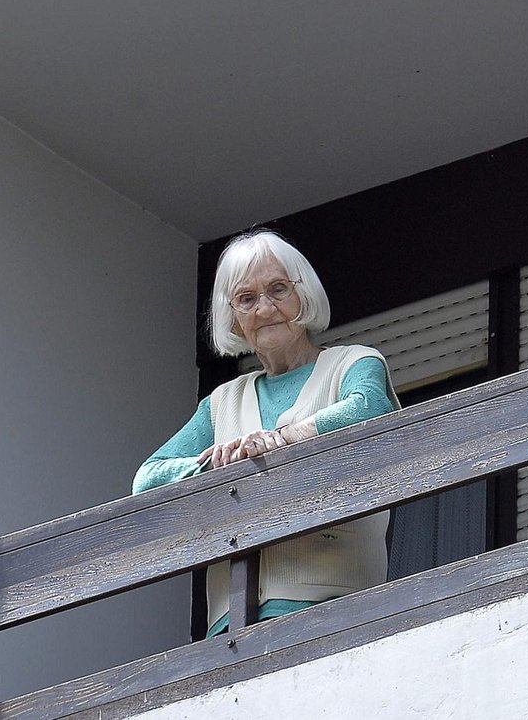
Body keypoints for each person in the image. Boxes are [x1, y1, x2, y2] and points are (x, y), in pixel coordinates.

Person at [133, 230, 398, 637]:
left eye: (278, 289)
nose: (265, 307)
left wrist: (287, 437)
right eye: (247, 298)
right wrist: (216, 466)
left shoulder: (353, 364)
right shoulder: (222, 402)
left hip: (336, 613)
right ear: (234, 316)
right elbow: (147, 479)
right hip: (230, 631)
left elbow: (369, 410)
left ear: (303, 295)